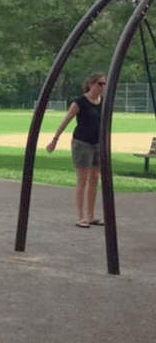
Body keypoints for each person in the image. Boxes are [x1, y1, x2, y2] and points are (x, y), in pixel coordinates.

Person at [46, 73, 106, 228]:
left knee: (94, 179)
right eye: (100, 83)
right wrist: (55, 140)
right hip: (82, 143)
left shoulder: (103, 102)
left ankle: (91, 216)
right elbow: (66, 120)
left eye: (104, 84)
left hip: (97, 144)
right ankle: (81, 217)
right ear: (91, 84)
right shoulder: (80, 102)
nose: (102, 87)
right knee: (82, 180)